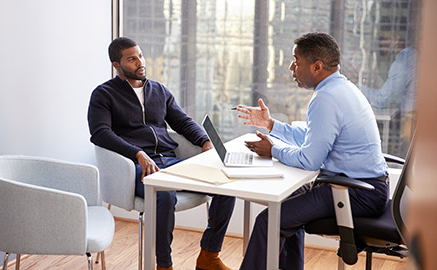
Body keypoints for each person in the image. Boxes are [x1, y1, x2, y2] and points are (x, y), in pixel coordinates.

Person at [235, 32, 389, 270]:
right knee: (286, 204)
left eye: (296, 61)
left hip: (356, 192)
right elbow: (314, 139)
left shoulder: (326, 98)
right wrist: (272, 126)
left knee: (270, 221)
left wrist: (273, 150)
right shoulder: (341, 87)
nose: (291, 67)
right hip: (361, 185)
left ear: (317, 67)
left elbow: (310, 159)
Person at [87, 37, 236, 270]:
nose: (140, 62)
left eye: (141, 56)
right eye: (132, 59)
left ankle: (209, 255)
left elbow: (183, 122)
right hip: (133, 168)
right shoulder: (104, 94)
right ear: (117, 65)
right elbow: (100, 134)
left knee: (226, 187)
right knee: (164, 194)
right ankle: (163, 265)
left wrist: (205, 142)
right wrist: (137, 153)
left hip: (170, 161)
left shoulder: (158, 90)